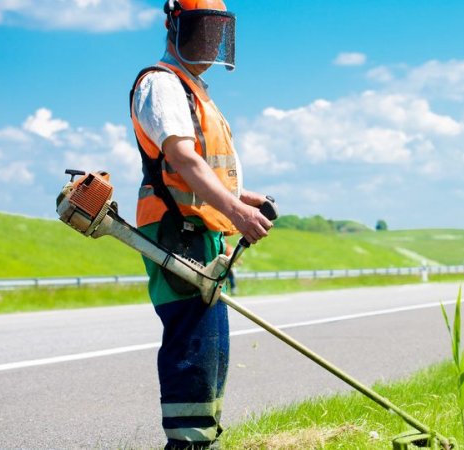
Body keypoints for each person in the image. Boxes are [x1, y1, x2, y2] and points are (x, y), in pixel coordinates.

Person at [129, 1, 273, 448]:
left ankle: (201, 441)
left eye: (217, 31)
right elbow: (182, 158)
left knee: (211, 349)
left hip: (202, 231)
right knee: (194, 345)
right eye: (200, 29)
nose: (210, 41)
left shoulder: (195, 89)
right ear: (174, 26)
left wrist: (243, 198)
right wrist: (238, 212)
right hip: (178, 231)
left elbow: (205, 167)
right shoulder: (163, 83)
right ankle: (187, 445)